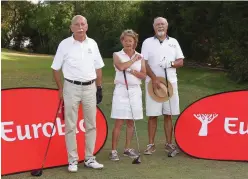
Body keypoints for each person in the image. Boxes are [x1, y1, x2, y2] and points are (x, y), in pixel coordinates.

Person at [51, 15, 104, 172]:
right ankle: (73, 160)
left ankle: (89, 158)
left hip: (90, 88)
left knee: (91, 125)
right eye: (77, 24)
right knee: (70, 125)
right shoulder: (64, 44)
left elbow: (98, 67)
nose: (80, 27)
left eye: (83, 24)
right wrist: (60, 88)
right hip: (71, 88)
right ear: (71, 27)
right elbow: (55, 68)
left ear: (87, 26)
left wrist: (99, 88)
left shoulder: (92, 43)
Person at [141, 17, 184, 156]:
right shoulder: (147, 42)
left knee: (168, 114)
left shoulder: (174, 42)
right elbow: (144, 63)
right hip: (153, 83)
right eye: (157, 24)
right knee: (153, 115)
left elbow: (180, 61)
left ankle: (168, 144)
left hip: (170, 83)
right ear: (154, 27)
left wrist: (170, 64)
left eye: (162, 24)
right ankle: (151, 144)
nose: (160, 26)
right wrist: (153, 78)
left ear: (167, 26)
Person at [109, 29, 146, 161]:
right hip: (121, 90)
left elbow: (143, 75)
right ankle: (113, 150)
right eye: (126, 40)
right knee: (119, 121)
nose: (128, 43)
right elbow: (120, 67)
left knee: (131, 122)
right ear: (122, 41)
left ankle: (127, 149)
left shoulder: (140, 56)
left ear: (135, 42)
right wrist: (132, 61)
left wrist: (131, 70)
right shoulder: (117, 54)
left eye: (131, 41)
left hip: (135, 90)